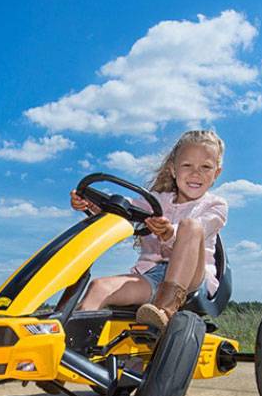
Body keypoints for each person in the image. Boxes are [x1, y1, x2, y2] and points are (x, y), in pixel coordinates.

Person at [69, 130, 228, 328]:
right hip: (152, 276)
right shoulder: (155, 201)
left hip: (193, 278)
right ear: (173, 169)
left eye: (205, 167)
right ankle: (72, 348)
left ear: (216, 173)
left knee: (191, 226)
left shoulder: (215, 206)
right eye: (187, 165)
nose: (196, 173)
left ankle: (165, 310)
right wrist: (93, 204)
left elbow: (202, 229)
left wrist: (170, 232)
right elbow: (126, 209)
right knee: (99, 287)